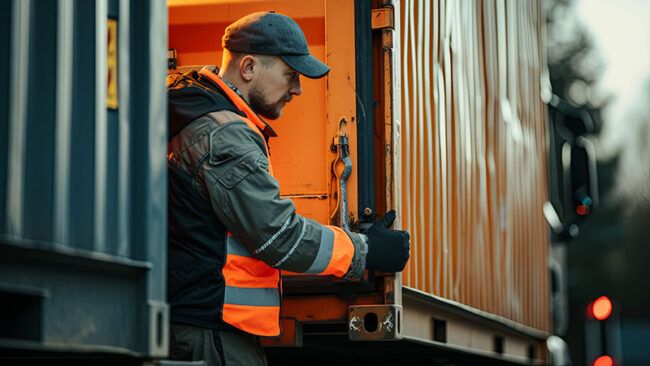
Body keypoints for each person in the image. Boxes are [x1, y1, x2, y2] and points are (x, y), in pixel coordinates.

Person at [166, 11, 410, 366]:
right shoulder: (224, 134)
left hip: (200, 324)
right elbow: (279, 237)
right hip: (210, 329)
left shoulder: (196, 111)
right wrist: (366, 250)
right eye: (290, 75)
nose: (297, 89)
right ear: (248, 67)